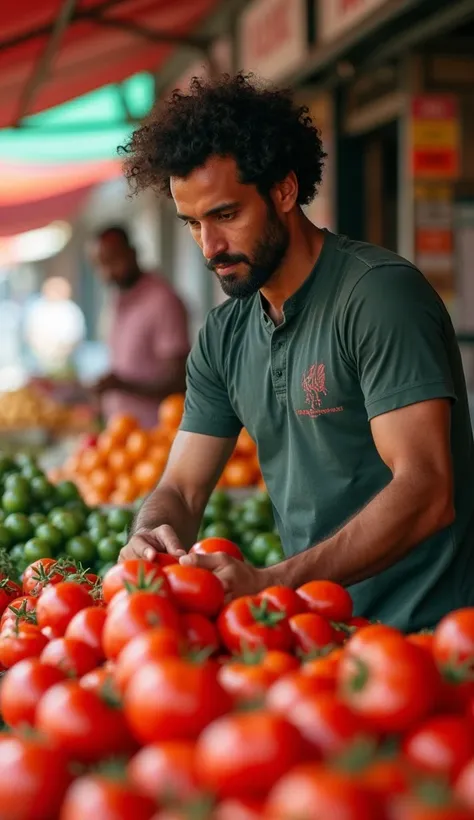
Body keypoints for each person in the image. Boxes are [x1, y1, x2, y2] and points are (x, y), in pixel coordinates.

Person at [117, 73, 474, 632]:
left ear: (283, 191)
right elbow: (181, 489)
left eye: (226, 215)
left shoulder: (378, 295)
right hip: (315, 633)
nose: (210, 247)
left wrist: (274, 582)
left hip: (429, 640)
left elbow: (427, 491)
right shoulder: (223, 335)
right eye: (192, 223)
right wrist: (151, 532)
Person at [88, 226, 190, 428]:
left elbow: (179, 381)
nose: (108, 273)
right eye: (101, 265)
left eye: (113, 261)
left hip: (155, 436)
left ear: (132, 253)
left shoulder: (162, 301)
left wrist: (121, 385)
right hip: (120, 434)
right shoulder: (118, 299)